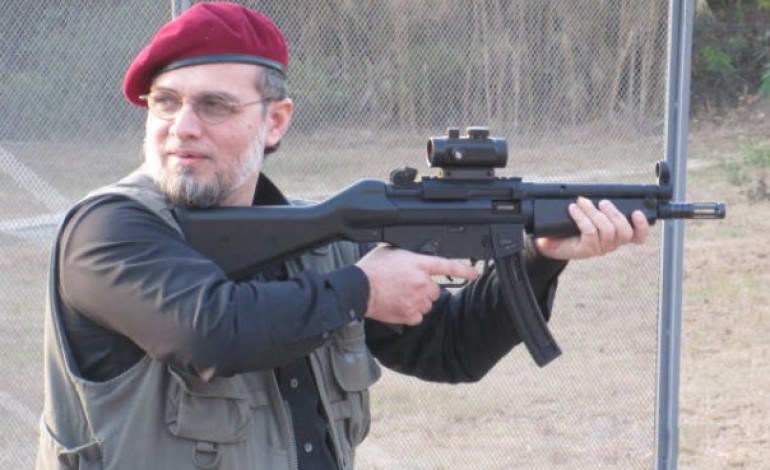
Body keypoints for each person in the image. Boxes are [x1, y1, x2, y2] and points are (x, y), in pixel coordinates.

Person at [37, 3, 649, 469]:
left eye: (214, 106)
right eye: (165, 102)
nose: (182, 126)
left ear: (275, 122)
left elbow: (451, 349)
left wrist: (539, 257)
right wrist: (361, 290)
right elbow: (211, 333)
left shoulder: (321, 241)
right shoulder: (108, 230)